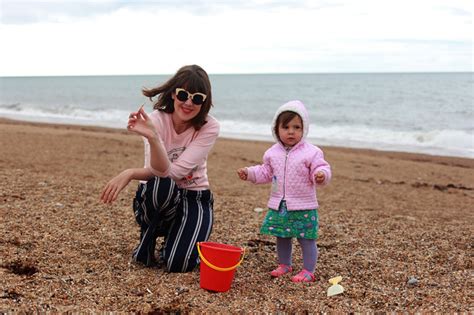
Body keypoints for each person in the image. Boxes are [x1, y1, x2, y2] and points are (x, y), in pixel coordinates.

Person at [100, 65, 220, 273]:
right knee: (160, 185)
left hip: (195, 195)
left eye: (197, 98)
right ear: (174, 94)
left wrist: (130, 173)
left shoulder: (210, 126)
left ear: (204, 101)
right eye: (183, 94)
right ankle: (150, 235)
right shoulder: (155, 120)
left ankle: (173, 243)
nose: (189, 102)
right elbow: (159, 174)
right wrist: (154, 137)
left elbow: (175, 173)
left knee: (179, 264)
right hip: (159, 195)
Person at [237, 100, 331, 282]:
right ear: (276, 129)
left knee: (306, 238)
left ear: (304, 129)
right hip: (281, 204)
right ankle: (284, 264)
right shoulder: (272, 153)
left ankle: (308, 270)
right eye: (286, 126)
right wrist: (249, 173)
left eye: (297, 127)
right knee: (282, 236)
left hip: (304, 204)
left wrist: (321, 175)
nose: (291, 131)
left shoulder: (311, 152)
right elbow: (265, 172)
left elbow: (321, 168)